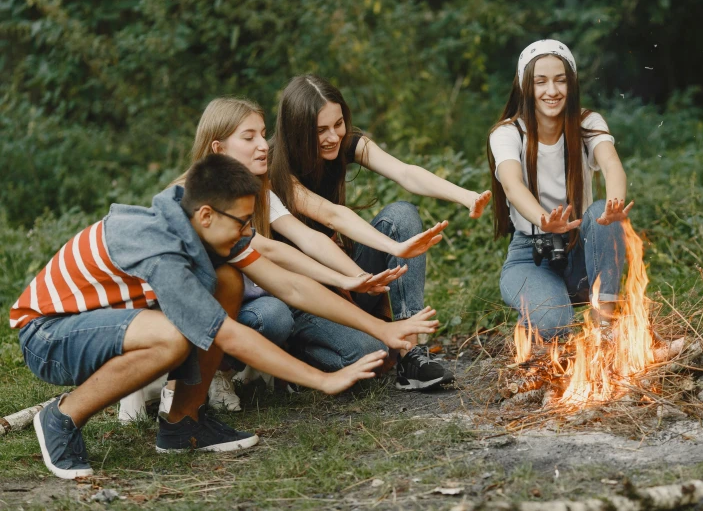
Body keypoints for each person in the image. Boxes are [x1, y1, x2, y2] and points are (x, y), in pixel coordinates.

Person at [10, 154, 437, 479]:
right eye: (244, 221)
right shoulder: (160, 247)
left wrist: (385, 327)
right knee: (172, 338)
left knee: (229, 281)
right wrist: (323, 380)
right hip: (46, 336)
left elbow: (288, 285)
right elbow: (226, 334)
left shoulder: (201, 224)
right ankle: (62, 417)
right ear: (208, 214)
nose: (249, 230)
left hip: (101, 326)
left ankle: (184, 422)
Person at [151, 97, 418, 415]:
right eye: (248, 138)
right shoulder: (190, 201)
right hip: (211, 313)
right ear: (218, 148)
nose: (263, 145)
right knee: (271, 312)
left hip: (265, 299)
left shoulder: (259, 191)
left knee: (370, 352)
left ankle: (279, 364)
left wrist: (353, 280)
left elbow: (302, 241)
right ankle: (205, 375)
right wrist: (347, 278)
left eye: (263, 134)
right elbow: (270, 250)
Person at [269, 74, 492, 390]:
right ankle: (289, 358)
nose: (334, 136)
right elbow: (332, 216)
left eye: (338, 124)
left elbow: (404, 172)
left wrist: (464, 195)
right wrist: (393, 248)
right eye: (320, 131)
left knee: (401, 215)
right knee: (370, 355)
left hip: (347, 279)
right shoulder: (273, 167)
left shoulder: (346, 143)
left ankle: (411, 353)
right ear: (296, 132)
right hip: (305, 296)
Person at [487, 39, 634, 339]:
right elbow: (512, 186)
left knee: (601, 213)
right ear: (525, 86)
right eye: (540, 82)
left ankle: (605, 324)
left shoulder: (587, 122)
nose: (551, 91)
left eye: (560, 81)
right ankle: (544, 310)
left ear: (572, 83)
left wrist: (614, 205)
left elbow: (611, 164)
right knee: (554, 326)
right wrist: (543, 219)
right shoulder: (507, 133)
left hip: (580, 249)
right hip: (531, 254)